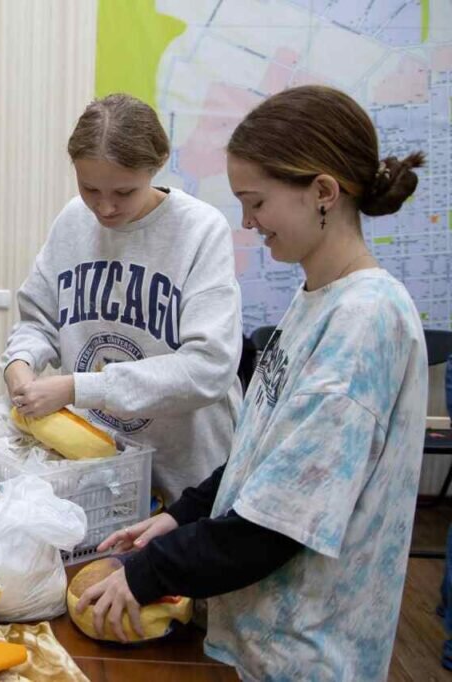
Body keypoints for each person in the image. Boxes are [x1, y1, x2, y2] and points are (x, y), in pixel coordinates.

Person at [76, 85, 428, 682]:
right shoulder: (315, 298)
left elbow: (275, 525)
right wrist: (184, 515)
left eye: (256, 201)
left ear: (322, 192)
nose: (247, 222)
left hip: (307, 654)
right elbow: (263, 456)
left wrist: (146, 572)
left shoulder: (366, 321)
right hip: (258, 640)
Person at [1, 93, 243, 502]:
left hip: (189, 471)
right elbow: (38, 319)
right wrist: (20, 362)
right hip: (102, 465)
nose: (105, 207)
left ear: (157, 163)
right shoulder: (73, 221)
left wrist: (79, 388)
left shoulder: (201, 230)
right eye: (89, 188)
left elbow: (209, 367)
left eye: (124, 192)